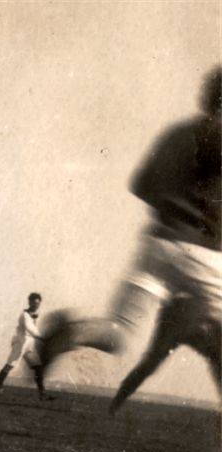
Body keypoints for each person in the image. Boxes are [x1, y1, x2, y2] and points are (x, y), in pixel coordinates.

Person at [40, 66, 222, 402]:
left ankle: (69, 332)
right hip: (205, 255)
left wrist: (175, 205)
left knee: (117, 332)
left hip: (158, 246)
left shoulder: (178, 134)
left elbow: (140, 185)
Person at [109, 294, 220, 414]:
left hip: (188, 311)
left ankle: (117, 401)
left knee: (151, 363)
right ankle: (117, 401)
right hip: (187, 312)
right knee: (151, 363)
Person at [0, 293, 52, 400]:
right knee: (10, 364)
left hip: (30, 344)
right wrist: (42, 338)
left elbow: (35, 329)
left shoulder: (36, 314)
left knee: (38, 367)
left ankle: (42, 394)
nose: (36, 305)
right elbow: (30, 329)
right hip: (21, 342)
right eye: (34, 303)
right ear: (29, 302)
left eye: (38, 303)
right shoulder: (24, 315)